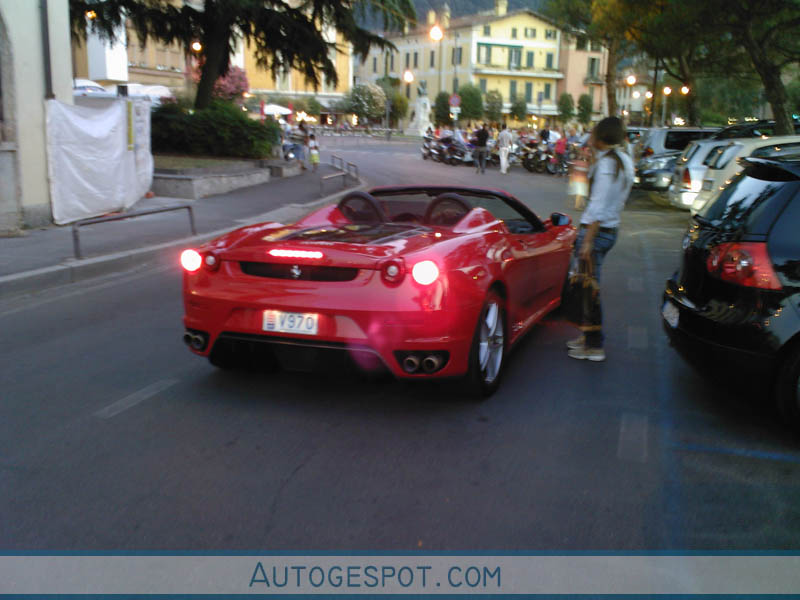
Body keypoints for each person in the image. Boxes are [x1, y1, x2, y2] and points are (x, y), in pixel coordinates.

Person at [567, 117, 634, 362]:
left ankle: (594, 345)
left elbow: (597, 206)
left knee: (589, 290)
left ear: (601, 136)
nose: (590, 134)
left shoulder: (608, 166)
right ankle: (587, 337)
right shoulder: (623, 161)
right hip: (610, 229)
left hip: (596, 232)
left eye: (593, 131)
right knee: (588, 286)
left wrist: (587, 242)